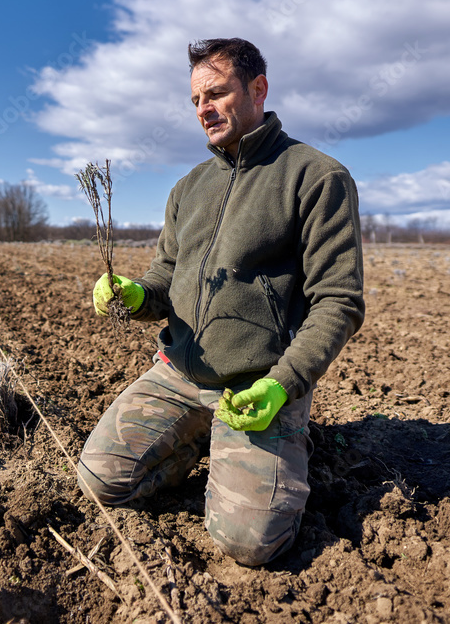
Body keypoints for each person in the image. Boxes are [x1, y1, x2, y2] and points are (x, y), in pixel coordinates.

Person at [78, 38, 364, 566]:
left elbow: (338, 302)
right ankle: (204, 438)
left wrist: (281, 385)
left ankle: (281, 438)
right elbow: (167, 274)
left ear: (258, 89)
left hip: (256, 385)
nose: (203, 109)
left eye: (216, 93)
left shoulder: (316, 177)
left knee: (251, 543)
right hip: (179, 375)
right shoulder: (189, 186)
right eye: (194, 100)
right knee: (100, 480)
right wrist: (137, 294)